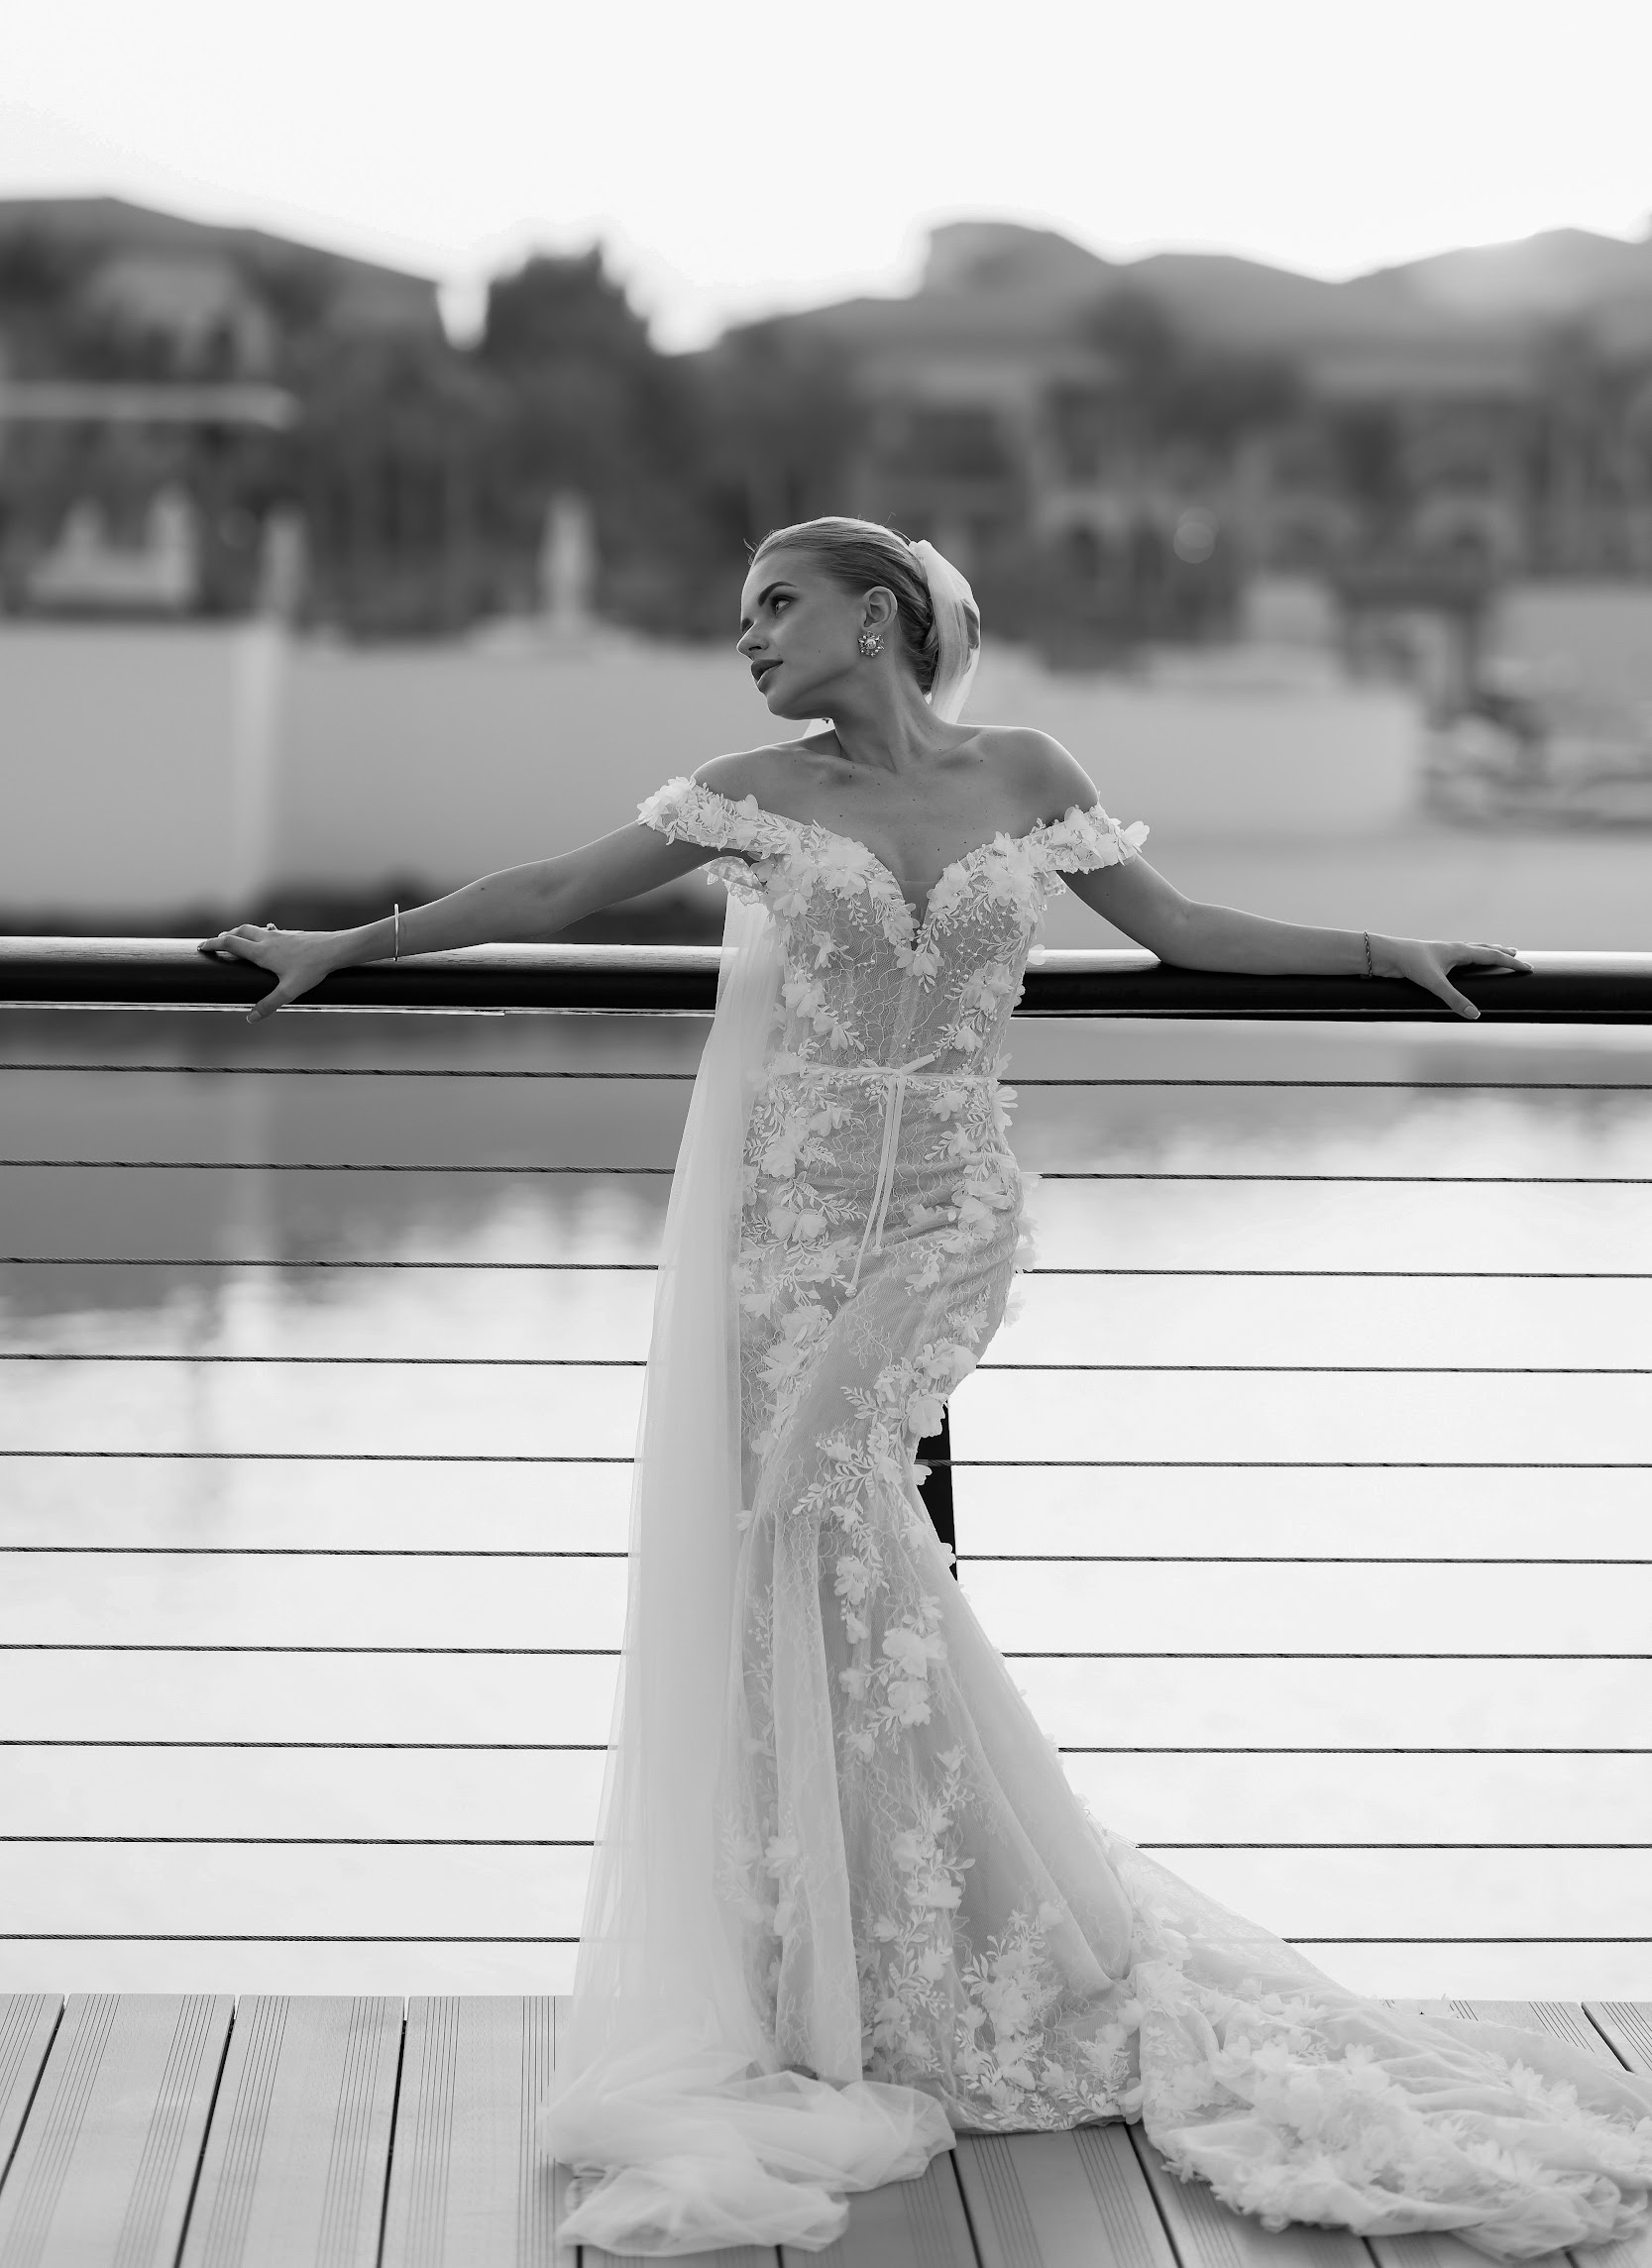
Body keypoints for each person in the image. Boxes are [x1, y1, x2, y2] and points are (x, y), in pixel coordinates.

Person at [201, 518, 1650, 2259]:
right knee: (809, 1555)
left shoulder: (1025, 772)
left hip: (947, 1219)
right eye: (743, 615)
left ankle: (994, 1934)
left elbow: (1180, 928)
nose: (749, 639)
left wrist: (1375, 951)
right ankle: (887, 1946)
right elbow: (545, 897)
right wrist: (345, 947)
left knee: (828, 1516)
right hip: (784, 1233)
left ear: (879, 615)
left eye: (777, 605)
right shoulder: (752, 794)